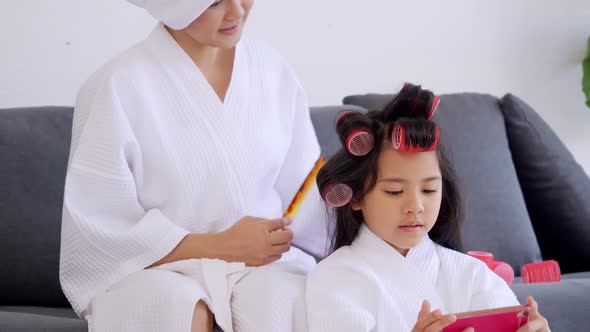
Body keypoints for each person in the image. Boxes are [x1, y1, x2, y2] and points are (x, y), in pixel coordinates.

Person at [59, 1, 328, 331]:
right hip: (156, 269)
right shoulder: (116, 85)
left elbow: (307, 197)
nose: (237, 11)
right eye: (214, 2)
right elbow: (98, 231)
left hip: (262, 264)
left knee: (276, 299)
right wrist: (219, 246)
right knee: (174, 305)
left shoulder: (272, 70)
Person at [306, 83, 551, 332]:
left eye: (429, 190)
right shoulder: (335, 278)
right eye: (394, 191)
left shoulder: (472, 274)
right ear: (356, 196)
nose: (415, 206)